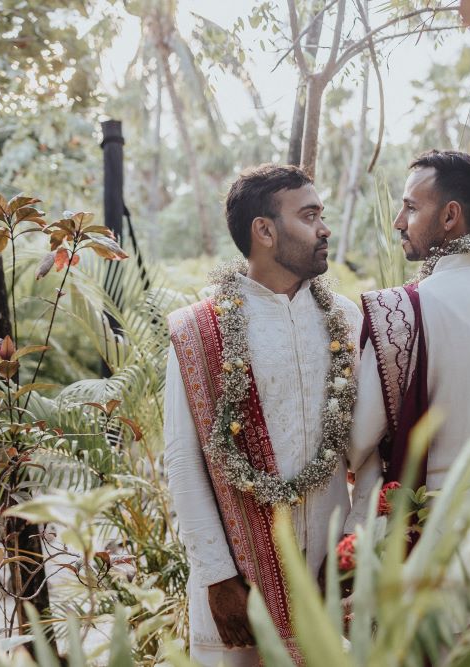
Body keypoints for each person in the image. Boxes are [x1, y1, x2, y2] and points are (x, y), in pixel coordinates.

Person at [344, 151, 470, 665]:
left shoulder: (402, 309)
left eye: (410, 207)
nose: (398, 221)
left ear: (450, 216)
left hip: (424, 540)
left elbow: (357, 437)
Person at [165, 164, 362, 666]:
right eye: (310, 215)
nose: (324, 229)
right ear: (265, 230)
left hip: (330, 571)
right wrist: (215, 575)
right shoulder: (200, 330)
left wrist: (353, 547)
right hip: (239, 578)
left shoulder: (346, 317)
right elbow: (183, 459)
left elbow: (369, 448)